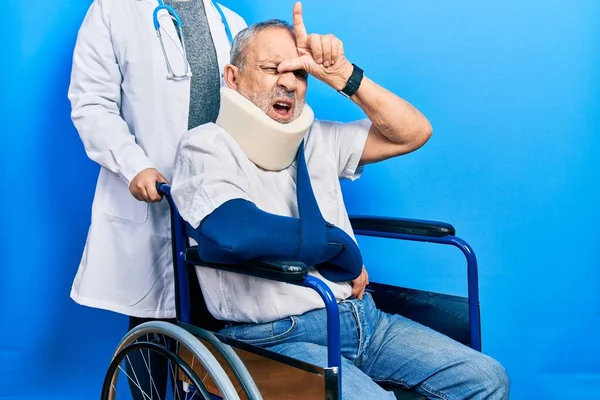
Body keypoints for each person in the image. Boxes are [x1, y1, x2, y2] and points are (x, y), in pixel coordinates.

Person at [170, 3, 510, 399]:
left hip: (365, 318)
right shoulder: (206, 146)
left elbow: (414, 132)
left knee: (487, 379)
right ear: (233, 77)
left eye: (298, 72)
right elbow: (234, 234)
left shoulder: (318, 138)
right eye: (271, 69)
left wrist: (343, 76)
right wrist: (341, 248)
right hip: (276, 336)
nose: (289, 83)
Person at [67, 0, 246, 398]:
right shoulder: (114, 10)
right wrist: (134, 166)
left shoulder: (230, 23)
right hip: (154, 195)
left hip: (219, 200)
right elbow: (92, 103)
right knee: (152, 326)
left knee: (216, 340)